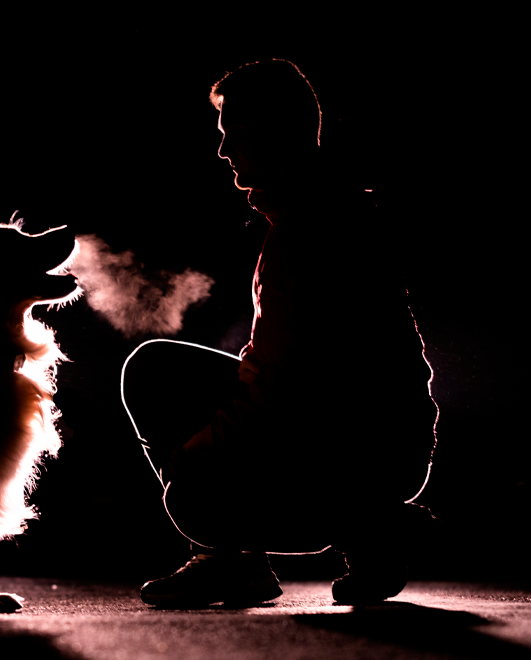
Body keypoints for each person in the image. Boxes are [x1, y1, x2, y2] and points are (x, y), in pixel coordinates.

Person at [121, 59, 437, 607]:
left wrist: (195, 454)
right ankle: (357, 534)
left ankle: (354, 529)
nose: (223, 152)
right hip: (383, 444)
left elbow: (287, 388)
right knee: (180, 379)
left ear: (275, 135)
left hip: (354, 452)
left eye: (233, 136)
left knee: (159, 390)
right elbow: (289, 370)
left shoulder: (311, 233)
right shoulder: (326, 215)